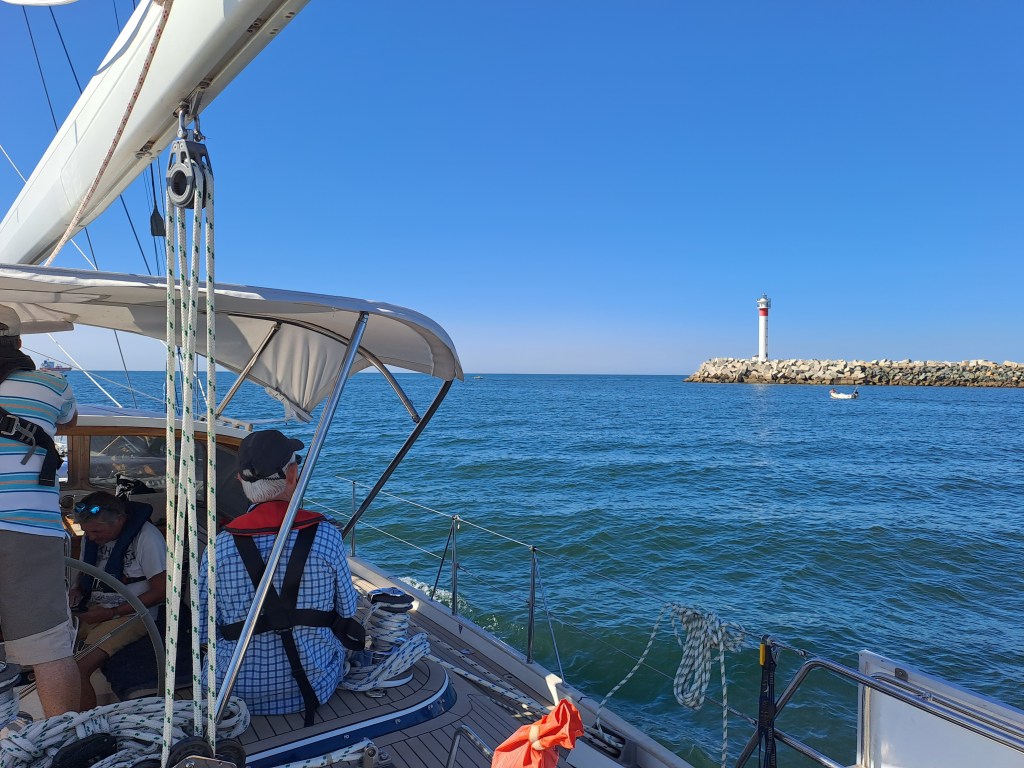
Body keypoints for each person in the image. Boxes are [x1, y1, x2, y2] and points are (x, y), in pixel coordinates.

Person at [199, 430, 358, 724]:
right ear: (293, 474)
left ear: (240, 481)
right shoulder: (327, 536)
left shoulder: (217, 549)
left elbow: (202, 630)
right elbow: (347, 610)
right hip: (314, 686)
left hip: (234, 694)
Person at [0, 304, 80, 716]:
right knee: (49, 650)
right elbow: (70, 420)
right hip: (28, 532)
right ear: (18, 342)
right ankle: (65, 740)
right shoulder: (51, 383)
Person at [70, 490, 167, 710]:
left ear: (120, 519)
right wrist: (75, 590)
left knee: (77, 669)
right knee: (54, 656)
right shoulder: (90, 537)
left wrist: (111, 613)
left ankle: (87, 726)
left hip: (133, 615)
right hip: (94, 609)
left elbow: (161, 591)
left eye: (96, 531)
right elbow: (85, 571)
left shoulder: (147, 537)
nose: (91, 537)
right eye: (86, 532)